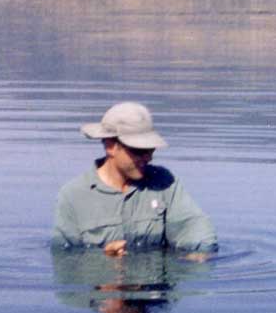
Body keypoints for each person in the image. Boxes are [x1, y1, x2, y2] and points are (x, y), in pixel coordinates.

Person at [52, 101, 217, 256]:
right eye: (138, 150)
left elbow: (194, 227)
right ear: (111, 146)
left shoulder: (164, 183)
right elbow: (63, 260)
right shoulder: (73, 196)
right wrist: (101, 262)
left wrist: (200, 253)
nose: (148, 158)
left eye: (151, 150)